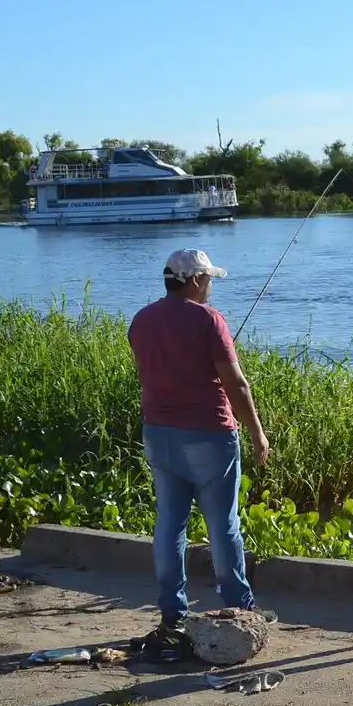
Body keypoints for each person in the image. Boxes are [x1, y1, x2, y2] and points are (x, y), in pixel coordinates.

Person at [127, 249, 273, 628]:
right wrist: (256, 431)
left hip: (158, 433)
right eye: (207, 279)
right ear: (193, 280)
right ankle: (240, 605)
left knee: (169, 524)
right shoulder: (209, 320)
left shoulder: (141, 320)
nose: (210, 287)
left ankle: (172, 612)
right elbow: (235, 383)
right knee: (223, 524)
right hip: (210, 433)